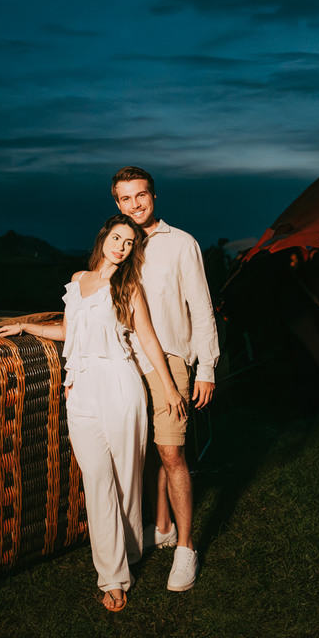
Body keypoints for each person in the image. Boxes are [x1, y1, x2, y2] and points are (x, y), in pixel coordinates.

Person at [0, 214, 186, 612]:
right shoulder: (78, 280)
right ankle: (113, 575)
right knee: (96, 479)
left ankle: (127, 557)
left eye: (130, 243)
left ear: (133, 251)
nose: (122, 246)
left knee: (127, 479)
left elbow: (147, 337)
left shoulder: (128, 286)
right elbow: (69, 331)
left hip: (120, 384)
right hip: (79, 388)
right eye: (117, 238)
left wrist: (167, 387)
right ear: (104, 238)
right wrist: (27, 326)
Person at [112, 166, 219, 592]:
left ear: (154, 196)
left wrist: (206, 367)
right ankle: (160, 527)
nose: (134, 204)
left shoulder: (181, 243)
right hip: (126, 361)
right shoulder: (119, 246)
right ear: (116, 204)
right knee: (150, 449)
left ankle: (186, 549)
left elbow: (202, 307)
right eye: (125, 198)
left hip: (171, 359)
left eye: (141, 195)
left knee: (172, 453)